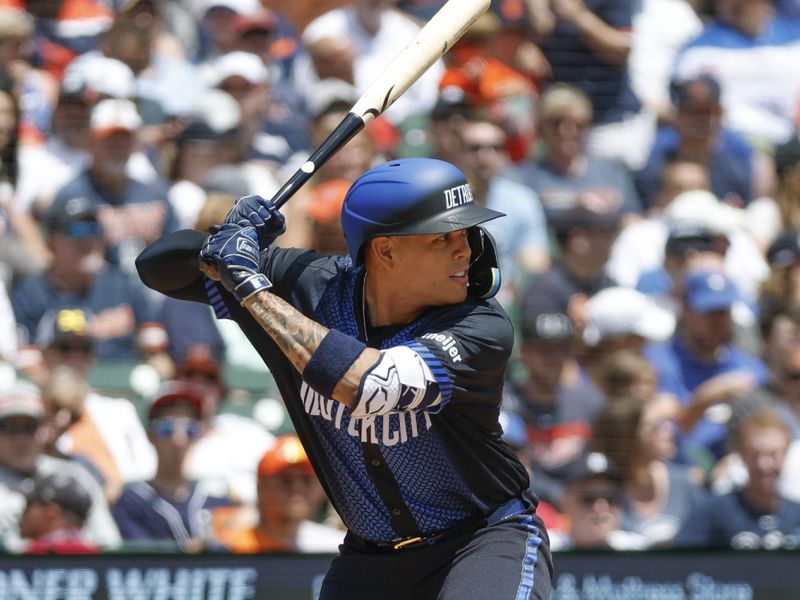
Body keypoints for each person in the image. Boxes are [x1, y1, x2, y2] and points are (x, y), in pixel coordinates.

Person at [137, 157, 553, 598]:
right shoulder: (310, 285)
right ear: (386, 250)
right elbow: (156, 267)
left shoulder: (480, 324)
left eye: (467, 233)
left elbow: (368, 386)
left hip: (482, 540)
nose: (465, 250)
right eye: (443, 238)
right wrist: (218, 246)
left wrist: (249, 286)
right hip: (370, 559)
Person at [0, 381, 120, 551]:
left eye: (29, 427)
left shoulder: (73, 477)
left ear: (43, 428)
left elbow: (109, 543)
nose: (20, 439)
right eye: (8, 427)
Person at [111, 380, 231, 551]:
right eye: (167, 429)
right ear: (150, 436)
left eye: (189, 430)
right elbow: (145, 564)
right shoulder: (133, 501)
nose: (179, 440)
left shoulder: (214, 498)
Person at [675, 406, 800, 549]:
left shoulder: (797, 516)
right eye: (755, 455)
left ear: (786, 454)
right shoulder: (712, 513)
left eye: (773, 455)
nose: (764, 465)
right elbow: (682, 564)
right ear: (741, 455)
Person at [213, 433, 344, 553]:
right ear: (262, 487)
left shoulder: (333, 548)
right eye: (286, 480)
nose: (297, 487)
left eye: (306, 480)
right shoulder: (231, 547)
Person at [547, 450, 648, 551]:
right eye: (589, 499)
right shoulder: (543, 552)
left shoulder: (641, 552)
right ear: (566, 503)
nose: (601, 508)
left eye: (611, 499)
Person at [19, 472, 99, 554]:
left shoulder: (33, 556)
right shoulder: (98, 556)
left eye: (29, 504)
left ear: (51, 511)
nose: (23, 512)